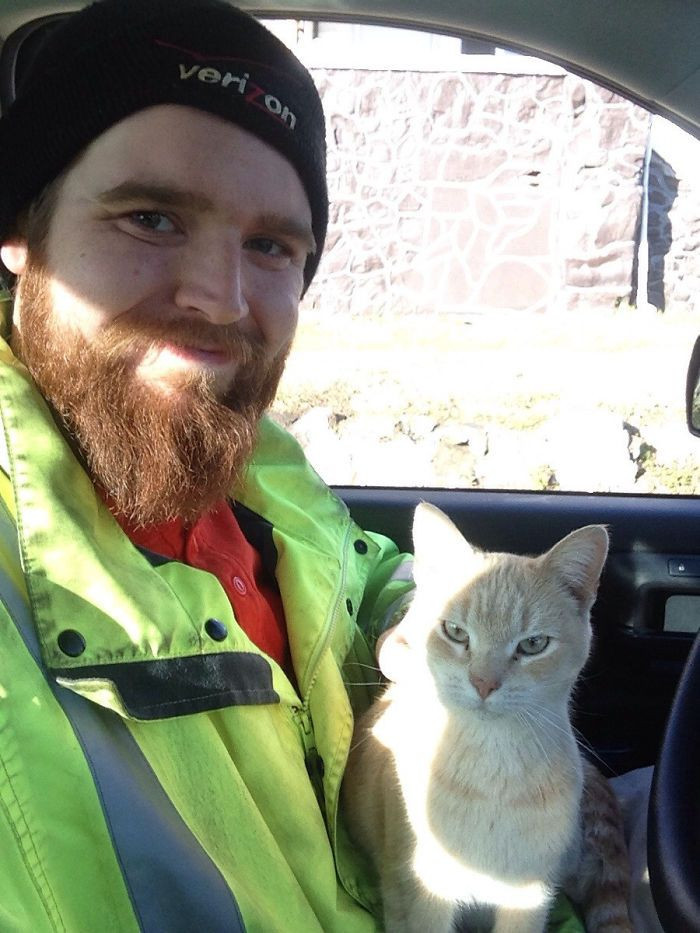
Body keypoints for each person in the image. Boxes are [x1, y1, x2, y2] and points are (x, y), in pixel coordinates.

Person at [0, 1, 586, 930]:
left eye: (271, 245)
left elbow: (362, 570)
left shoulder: (258, 465)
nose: (221, 298)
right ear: (21, 233)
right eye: (150, 217)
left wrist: (415, 616)